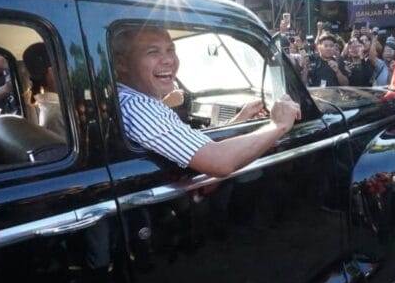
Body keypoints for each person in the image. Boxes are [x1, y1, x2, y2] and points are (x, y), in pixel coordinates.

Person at [112, 26, 301, 176]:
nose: (168, 60)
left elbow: (197, 146)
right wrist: (278, 125)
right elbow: (218, 162)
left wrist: (239, 121)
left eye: (171, 50)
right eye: (153, 52)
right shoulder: (138, 107)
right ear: (121, 64)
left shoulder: (125, 100)